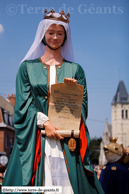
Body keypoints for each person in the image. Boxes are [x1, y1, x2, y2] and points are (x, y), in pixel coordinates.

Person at [2, 9, 104, 194]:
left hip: (66, 139)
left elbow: (83, 107)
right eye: (51, 33)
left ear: (65, 36)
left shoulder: (76, 70)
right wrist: (45, 123)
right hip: (37, 138)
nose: (55, 37)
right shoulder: (26, 68)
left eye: (60, 33)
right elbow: (23, 105)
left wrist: (73, 91)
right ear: (43, 34)